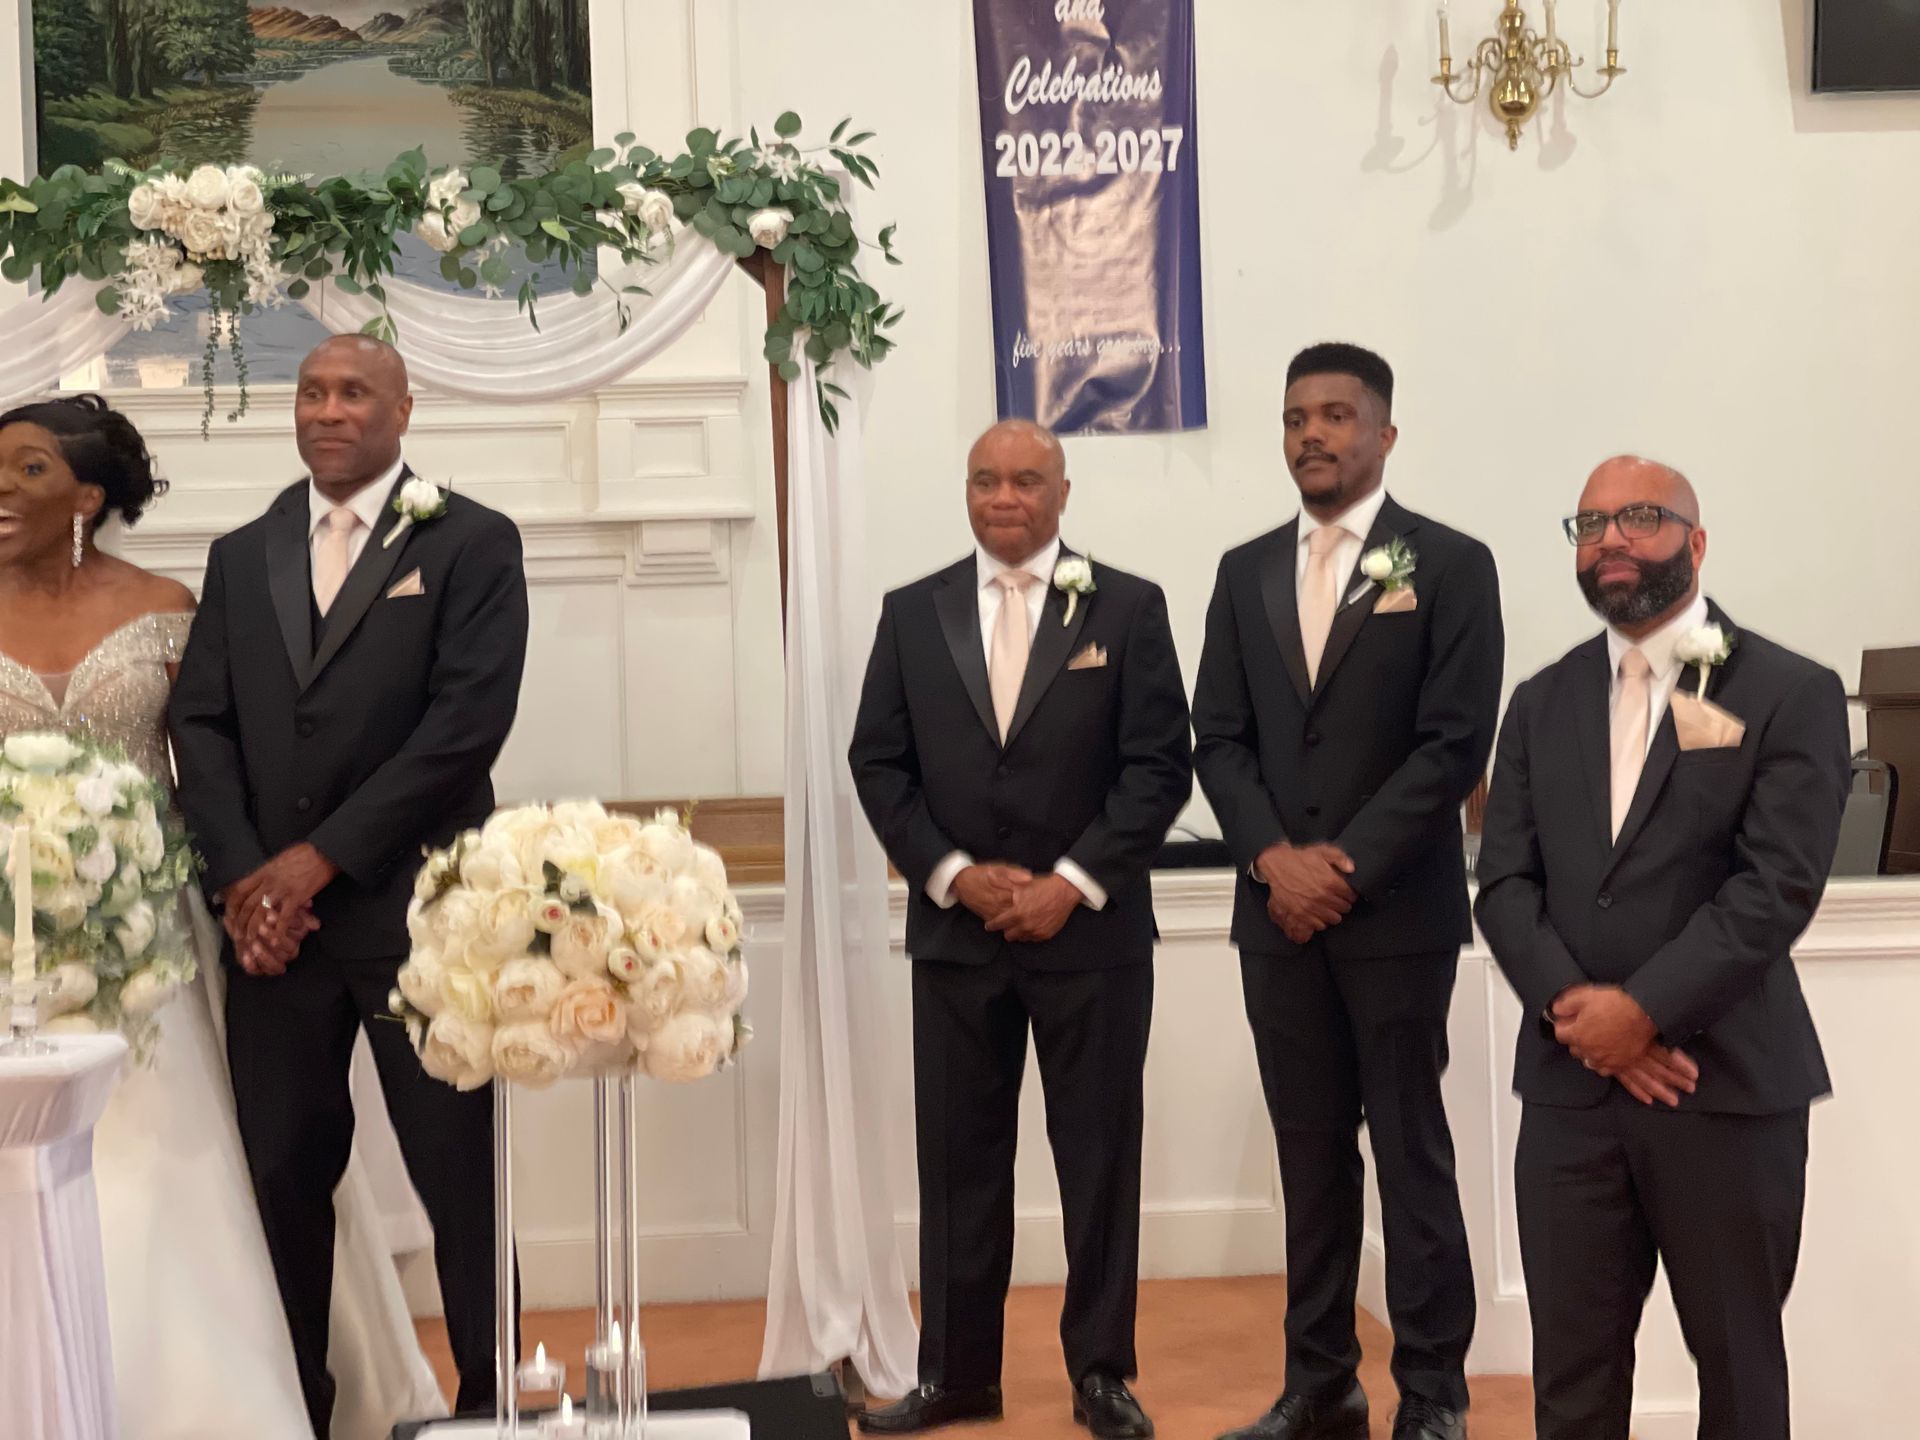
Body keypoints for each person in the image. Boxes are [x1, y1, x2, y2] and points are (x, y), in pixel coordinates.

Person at [0, 392, 444, 1438]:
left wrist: (257, 890)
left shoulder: (168, 606)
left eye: (25, 470)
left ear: (90, 495)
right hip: (6, 940)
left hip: (151, 935)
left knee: (181, 1157)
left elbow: (221, 767)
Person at [170, 335, 530, 1434]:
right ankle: (299, 1406)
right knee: (280, 1176)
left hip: (420, 918)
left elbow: (463, 728)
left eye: (354, 393)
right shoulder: (243, 553)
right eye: (313, 392)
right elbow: (201, 723)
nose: (330, 411)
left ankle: (494, 1404)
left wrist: (318, 861)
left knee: (457, 1174)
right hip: (274, 940)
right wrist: (245, 885)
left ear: (404, 407)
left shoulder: (470, 541)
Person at [1475, 456, 1848, 1440]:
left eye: (1638, 518)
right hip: (1569, 1100)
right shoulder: (1540, 701)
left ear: (1696, 539)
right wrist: (1580, 1016)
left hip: (1720, 1091)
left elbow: (1773, 890)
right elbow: (1503, 886)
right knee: (1573, 1376)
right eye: (1589, 524)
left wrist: (1639, 1015)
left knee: (1737, 1371)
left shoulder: (1787, 691)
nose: (1609, 541)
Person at [847, 420, 1192, 1438]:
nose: (1006, 497)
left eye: (1027, 480)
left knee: (1097, 1161)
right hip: (958, 940)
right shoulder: (913, 614)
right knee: (958, 1166)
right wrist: (953, 876)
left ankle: (1101, 1376)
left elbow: (1158, 767)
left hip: (1091, 939)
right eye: (987, 480)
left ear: (1063, 491)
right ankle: (957, 1374)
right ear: (966, 492)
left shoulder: (1127, 607)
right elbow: (879, 764)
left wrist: (1071, 881)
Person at [1193, 344, 1502, 1440]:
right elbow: (1217, 739)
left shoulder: (1453, 565)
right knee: (1308, 1157)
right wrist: (1275, 859)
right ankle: (1319, 1386)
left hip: (1396, 918)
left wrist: (1345, 866)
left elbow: (1454, 741)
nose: (1311, 435)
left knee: (1413, 1151)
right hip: (1275, 922)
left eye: (1334, 414)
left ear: (1384, 433)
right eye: (1294, 418)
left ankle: (1433, 1393)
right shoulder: (1241, 572)